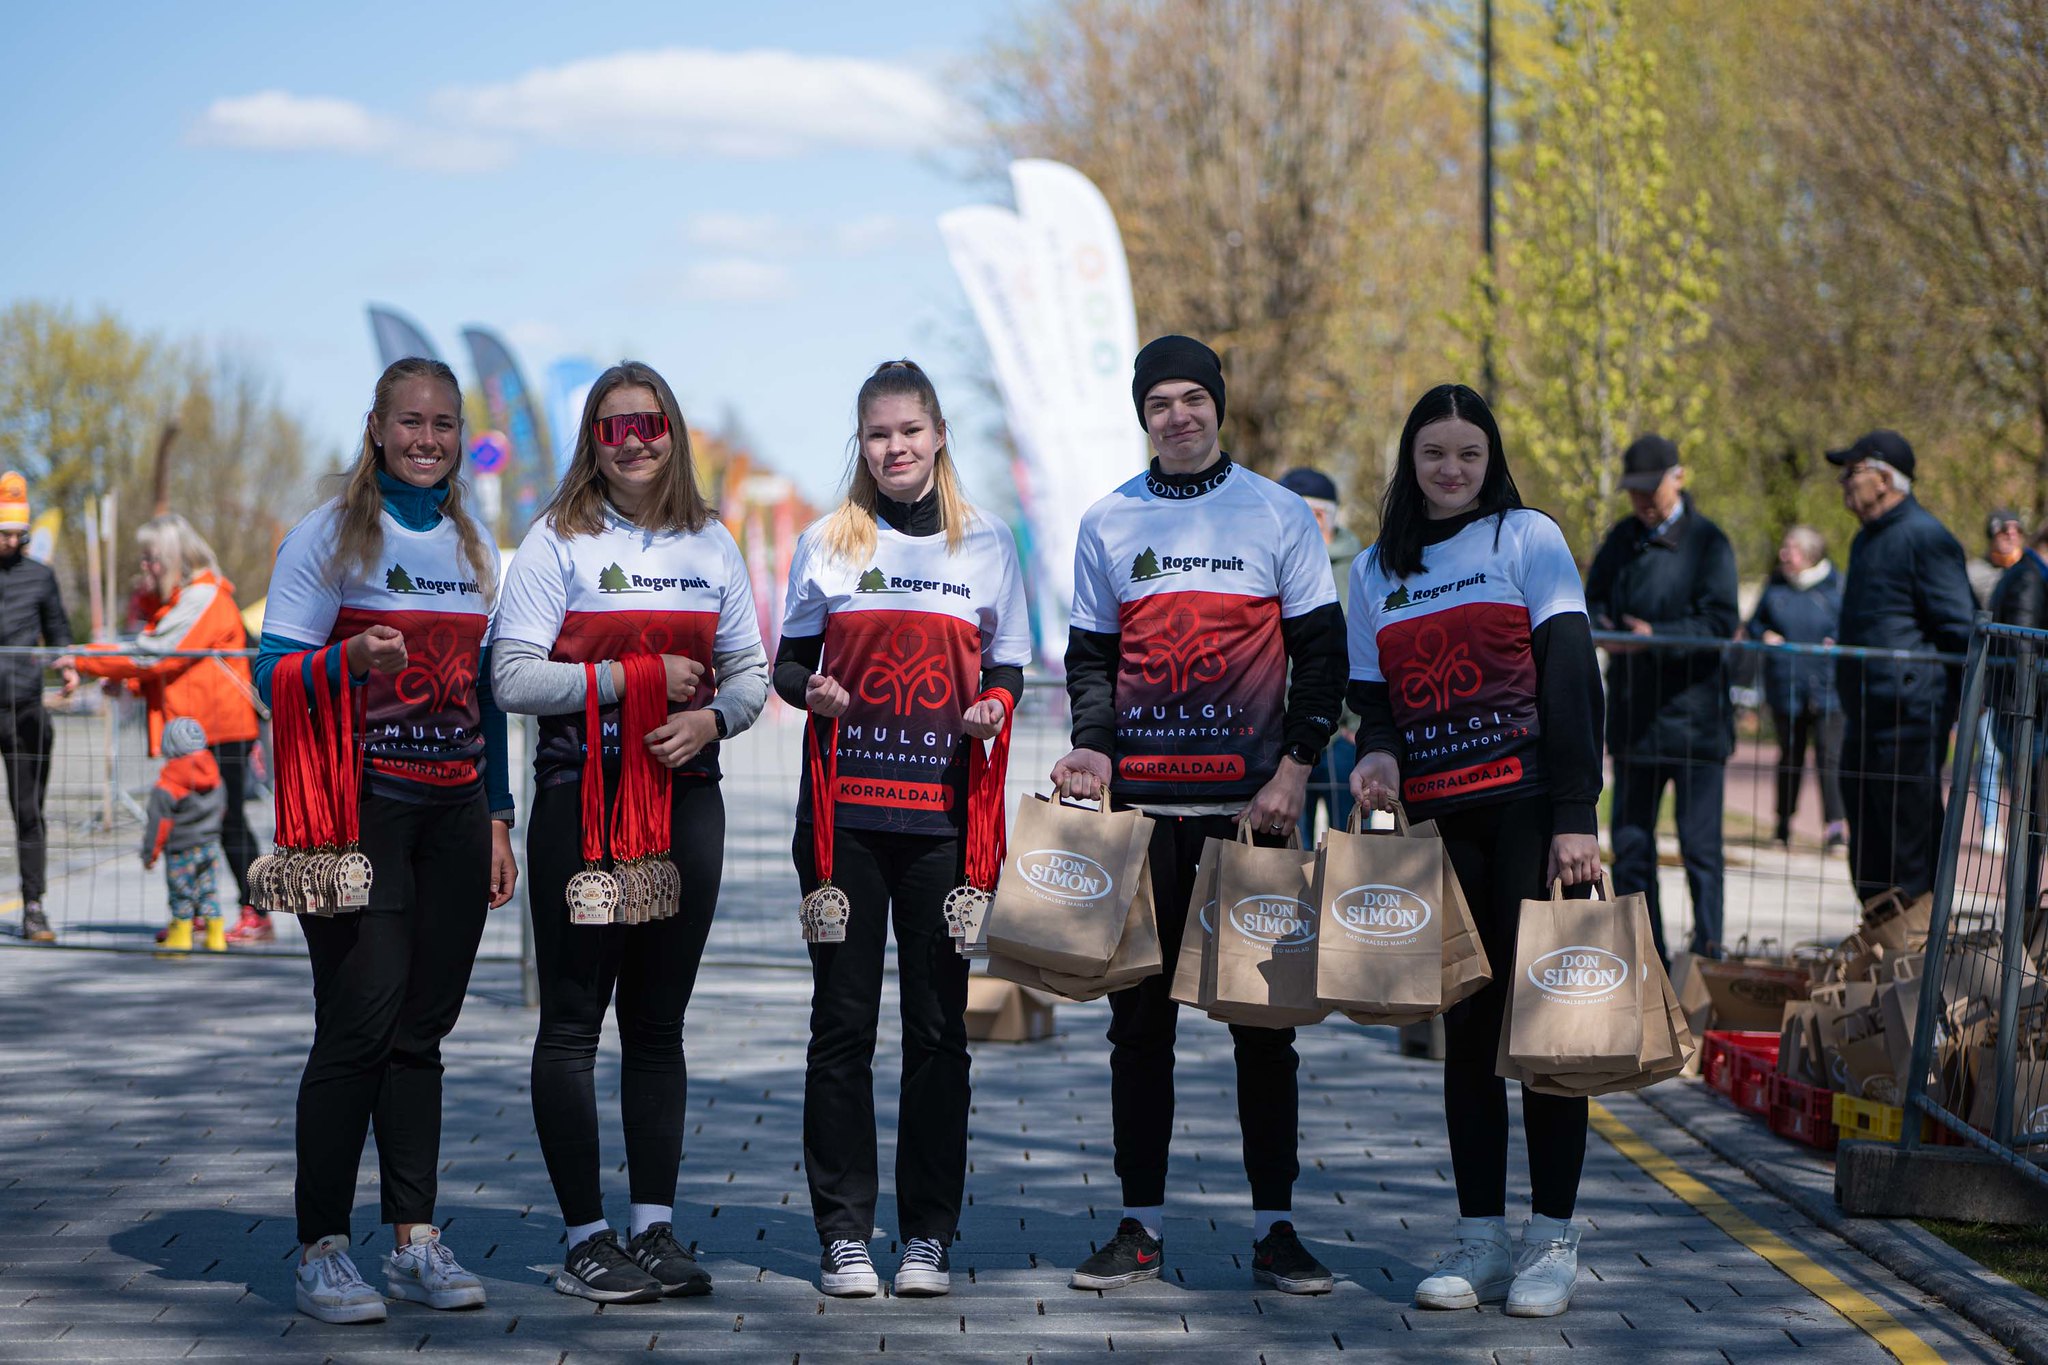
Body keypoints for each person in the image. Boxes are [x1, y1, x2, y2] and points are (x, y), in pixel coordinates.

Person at [1050, 335, 1346, 1296]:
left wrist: (1296, 770)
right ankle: (1139, 1225)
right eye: (1158, 403)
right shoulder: (1107, 520)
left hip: (1251, 817)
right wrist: (1093, 746)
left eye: (1192, 398)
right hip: (1142, 820)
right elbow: (1091, 661)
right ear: (1142, 415)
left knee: (1265, 1031)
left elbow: (1323, 655)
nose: (1177, 416)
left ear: (1219, 403)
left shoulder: (1277, 513)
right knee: (1139, 1033)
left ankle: (1276, 1229)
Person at [493, 360, 767, 1303]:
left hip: (686, 803)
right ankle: (585, 1237)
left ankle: (652, 1228)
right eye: (614, 427)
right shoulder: (555, 540)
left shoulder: (711, 541)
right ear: (593, 441)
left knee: (658, 1024)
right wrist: (629, 680)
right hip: (582, 802)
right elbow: (512, 677)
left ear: (673, 431)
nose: (635, 440)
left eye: (650, 423)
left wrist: (711, 720)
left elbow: (749, 674)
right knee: (572, 1024)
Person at [256, 357, 517, 1325]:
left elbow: (488, 695)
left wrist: (498, 817)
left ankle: (414, 1241)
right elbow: (269, 676)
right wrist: (345, 660)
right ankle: (322, 1249)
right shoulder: (326, 536)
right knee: (358, 1025)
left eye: (444, 424)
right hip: (358, 808)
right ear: (375, 427)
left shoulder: (473, 542)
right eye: (410, 421)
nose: (427, 439)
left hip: (455, 814)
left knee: (422, 1032)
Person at [1346, 383, 1604, 1318]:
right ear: (1409, 463)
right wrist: (1378, 753)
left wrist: (1576, 813)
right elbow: (1375, 701)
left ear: (1491, 460)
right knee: (1467, 1035)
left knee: (1547, 1034)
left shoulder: (1527, 539)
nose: (1451, 469)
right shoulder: (1374, 568)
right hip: (1440, 829)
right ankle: (1482, 1238)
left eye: (1469, 453)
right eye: (1433, 453)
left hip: (1532, 816)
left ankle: (1553, 1240)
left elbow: (1570, 676)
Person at [775, 360, 1029, 1299]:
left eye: (910, 431)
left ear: (938, 435)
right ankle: (844, 1235)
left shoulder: (987, 542)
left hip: (945, 826)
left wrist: (995, 707)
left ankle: (926, 1235)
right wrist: (812, 691)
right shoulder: (827, 541)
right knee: (840, 1028)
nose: (895, 449)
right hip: (843, 823)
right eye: (879, 434)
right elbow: (789, 663)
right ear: (863, 442)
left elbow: (1007, 667)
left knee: (937, 1032)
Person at [68, 514, 266, 945]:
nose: (145, 566)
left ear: (175, 557)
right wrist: (131, 683)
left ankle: (257, 909)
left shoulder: (205, 598)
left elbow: (158, 654)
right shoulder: (182, 601)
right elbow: (175, 668)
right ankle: (194, 911)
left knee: (229, 820)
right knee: (189, 825)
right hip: (192, 731)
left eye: (152, 558)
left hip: (220, 728)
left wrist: (83, 658)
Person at [1584, 434, 1738, 961]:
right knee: (1631, 845)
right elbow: (1592, 600)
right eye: (1634, 491)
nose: (1643, 501)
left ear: (1679, 478)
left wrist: (1655, 638)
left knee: (1700, 849)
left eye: (1652, 489)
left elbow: (1720, 622)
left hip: (1696, 722)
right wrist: (1604, 629)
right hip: (1635, 721)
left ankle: (1708, 956)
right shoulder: (1621, 539)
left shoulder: (1709, 543)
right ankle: (1644, 955)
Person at [1828, 430, 1975, 904]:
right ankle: (1879, 939)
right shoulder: (1865, 539)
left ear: (1885, 479)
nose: (1843, 483)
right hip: (1864, 715)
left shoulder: (1926, 537)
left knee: (1909, 849)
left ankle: (1917, 945)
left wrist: (1935, 695)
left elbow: (1961, 628)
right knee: (1868, 850)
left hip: (1908, 720)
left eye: (1852, 472)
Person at [0, 472, 76, 942]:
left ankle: (33, 906)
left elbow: (59, 629)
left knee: (28, 810)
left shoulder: (40, 576)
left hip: (25, 706)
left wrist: (66, 664)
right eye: (3, 534)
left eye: (18, 534)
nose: (11, 541)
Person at [1746, 526, 1847, 854]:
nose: (1783, 554)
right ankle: (1782, 824)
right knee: (1790, 756)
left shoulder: (1836, 586)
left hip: (1828, 689)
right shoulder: (1775, 585)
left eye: (1791, 549)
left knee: (1830, 758)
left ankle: (1835, 827)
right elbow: (1755, 623)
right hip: (1786, 687)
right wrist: (1764, 635)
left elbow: (1851, 624)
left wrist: (1838, 640)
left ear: (1809, 554)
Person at [1277, 467, 1362, 846]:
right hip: (1286, 735)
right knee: (1289, 847)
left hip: (1343, 736)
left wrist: (1359, 724)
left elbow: (1372, 646)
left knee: (1347, 847)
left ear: (1323, 516)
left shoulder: (1360, 568)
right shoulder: (1274, 563)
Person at [140, 717, 226, 953]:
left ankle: (180, 939)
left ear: (169, 748)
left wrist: (150, 854)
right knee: (209, 890)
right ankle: (216, 938)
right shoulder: (215, 776)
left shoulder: (167, 784)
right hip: (210, 845)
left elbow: (158, 824)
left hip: (181, 850)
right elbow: (222, 808)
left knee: (182, 893)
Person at [1970, 509, 2025, 854]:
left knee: (2028, 757)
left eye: (2017, 530)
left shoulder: (2032, 572)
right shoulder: (1975, 574)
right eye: (2004, 530)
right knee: (1990, 754)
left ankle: (2028, 825)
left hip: (2026, 682)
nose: (2011, 535)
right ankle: (1991, 823)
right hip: (1989, 679)